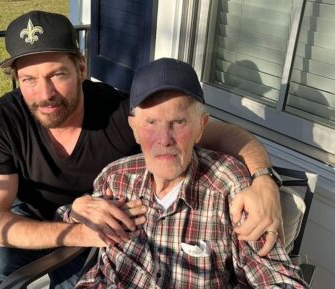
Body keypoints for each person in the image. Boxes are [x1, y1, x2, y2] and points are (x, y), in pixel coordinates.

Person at [0, 10, 284, 289]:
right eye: (28, 79)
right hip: (60, 220)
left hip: (104, 223)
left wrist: (264, 180)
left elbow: (226, 135)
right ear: (15, 78)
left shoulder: (123, 114)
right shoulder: (5, 118)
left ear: (81, 67)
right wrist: (79, 231)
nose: (45, 94)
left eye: (57, 74)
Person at [71, 58, 308, 288]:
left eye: (179, 122)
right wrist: (76, 209)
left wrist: (264, 179)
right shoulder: (116, 177)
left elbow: (275, 276)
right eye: (151, 122)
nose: (164, 139)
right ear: (134, 129)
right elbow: (72, 216)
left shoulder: (229, 186)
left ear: (201, 127)